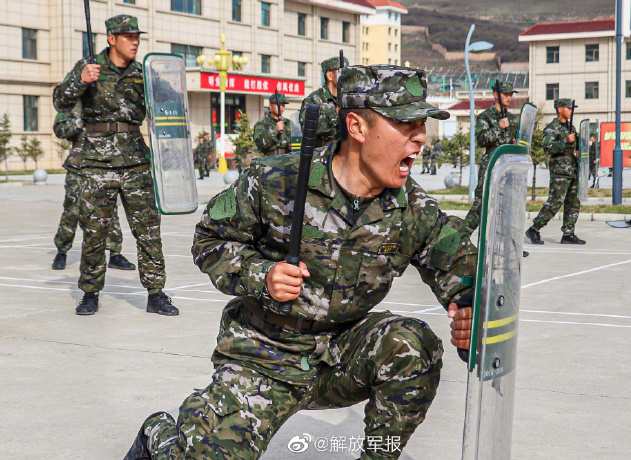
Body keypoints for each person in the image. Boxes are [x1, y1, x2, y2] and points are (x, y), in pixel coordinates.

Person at [123, 65, 477, 460]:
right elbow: (209, 240)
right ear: (357, 127)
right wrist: (263, 276)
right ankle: (159, 433)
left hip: (342, 355)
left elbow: (466, 279)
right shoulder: (276, 180)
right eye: (405, 124)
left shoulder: (416, 209)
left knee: (413, 344)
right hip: (263, 355)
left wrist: (469, 316)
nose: (421, 138)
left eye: (423, 124)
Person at [52, 14, 178, 316]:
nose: (134, 41)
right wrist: (80, 81)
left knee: (148, 230)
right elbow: (60, 101)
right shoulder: (89, 68)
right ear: (112, 39)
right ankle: (90, 293)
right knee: (95, 232)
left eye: (137, 36)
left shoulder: (143, 74)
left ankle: (156, 293)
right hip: (97, 163)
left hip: (136, 162)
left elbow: (169, 106)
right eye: (127, 36)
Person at [51, 102, 135, 271]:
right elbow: (60, 130)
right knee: (72, 210)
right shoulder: (73, 104)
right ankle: (62, 250)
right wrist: (82, 120)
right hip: (79, 165)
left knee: (109, 209)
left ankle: (115, 253)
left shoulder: (109, 99)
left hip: (106, 164)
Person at [525, 98, 586, 245]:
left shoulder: (571, 128)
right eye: (569, 108)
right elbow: (547, 148)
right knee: (555, 202)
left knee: (573, 202)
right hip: (560, 172)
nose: (571, 111)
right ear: (560, 109)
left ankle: (568, 233)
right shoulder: (552, 128)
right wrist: (566, 141)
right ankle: (534, 229)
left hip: (573, 170)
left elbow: (576, 146)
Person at [464, 81, 518, 235]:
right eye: (505, 94)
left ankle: (510, 244)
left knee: (507, 205)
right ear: (496, 95)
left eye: (510, 94)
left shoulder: (513, 119)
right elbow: (481, 140)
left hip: (508, 165)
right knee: (481, 204)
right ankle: (460, 238)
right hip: (491, 163)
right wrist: (498, 128)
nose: (509, 97)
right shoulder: (485, 117)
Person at [298, 56, 348, 148]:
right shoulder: (314, 100)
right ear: (329, 75)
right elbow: (307, 129)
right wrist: (336, 117)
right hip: (321, 154)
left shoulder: (348, 99)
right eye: (341, 71)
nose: (345, 75)